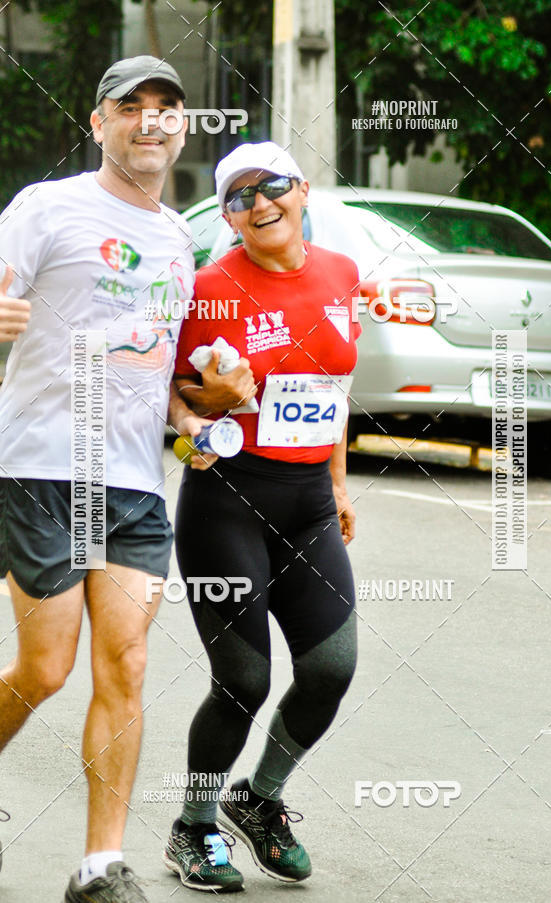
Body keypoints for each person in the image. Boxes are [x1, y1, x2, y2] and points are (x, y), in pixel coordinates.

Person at [0, 56, 250, 903]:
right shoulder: (48, 206)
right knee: (44, 668)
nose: (151, 119)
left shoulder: (181, 237)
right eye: (130, 105)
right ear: (98, 121)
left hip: (136, 479)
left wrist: (196, 421)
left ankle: (99, 865)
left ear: (183, 126)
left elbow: (163, 367)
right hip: (44, 463)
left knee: (129, 663)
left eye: (167, 107)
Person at [165, 141, 360, 893]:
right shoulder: (208, 289)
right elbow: (169, 402)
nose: (260, 203)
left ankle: (261, 797)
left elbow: (334, 391)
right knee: (243, 679)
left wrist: (339, 485)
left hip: (309, 500)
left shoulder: (342, 274)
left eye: (272, 186)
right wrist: (196, 424)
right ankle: (194, 826)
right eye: (240, 197)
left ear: (302, 189)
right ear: (228, 216)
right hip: (227, 503)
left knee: (331, 669)